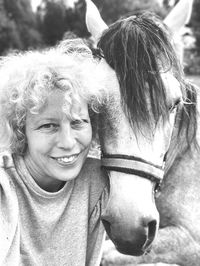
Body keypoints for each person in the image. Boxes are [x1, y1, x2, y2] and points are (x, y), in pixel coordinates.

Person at [0, 39, 109, 266]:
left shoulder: (97, 181)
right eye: (48, 126)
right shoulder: (5, 188)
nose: (68, 143)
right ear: (21, 131)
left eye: (78, 122)